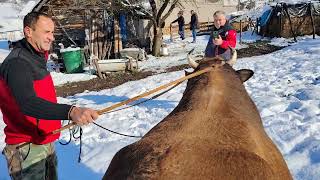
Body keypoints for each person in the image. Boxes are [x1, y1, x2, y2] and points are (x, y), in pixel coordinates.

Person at [0, 12, 99, 179]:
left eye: (52, 32)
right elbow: (28, 103)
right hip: (27, 148)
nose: (52, 37)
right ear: (28, 32)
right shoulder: (17, 63)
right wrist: (71, 112)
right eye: (46, 32)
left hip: (44, 141)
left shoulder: (36, 56)